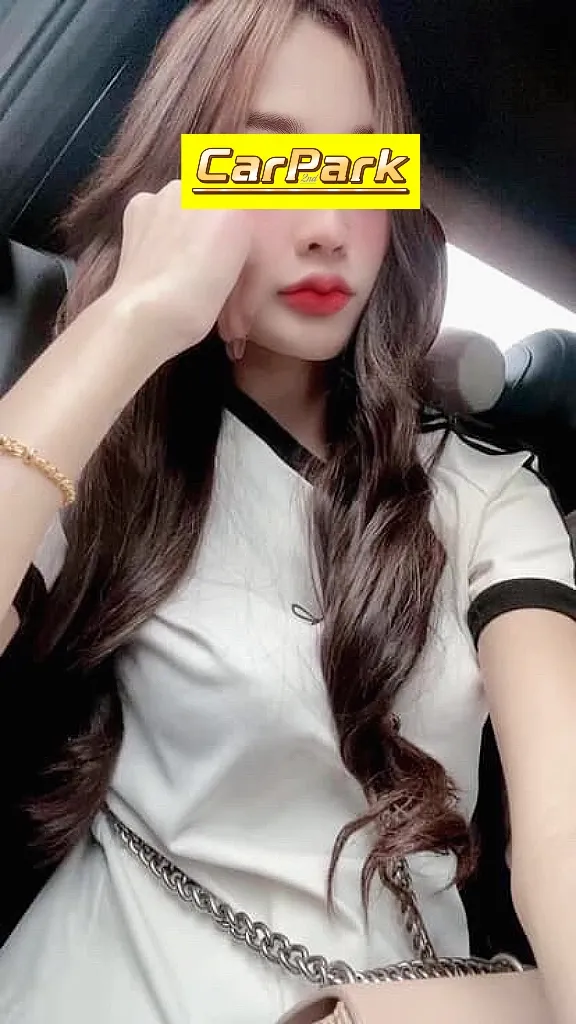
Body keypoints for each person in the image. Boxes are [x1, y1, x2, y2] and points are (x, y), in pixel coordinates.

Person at [0, 2, 575, 1022]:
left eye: (361, 170)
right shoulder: (106, 445)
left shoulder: (482, 496)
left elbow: (562, 827)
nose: (325, 226)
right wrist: (133, 319)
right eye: (264, 167)